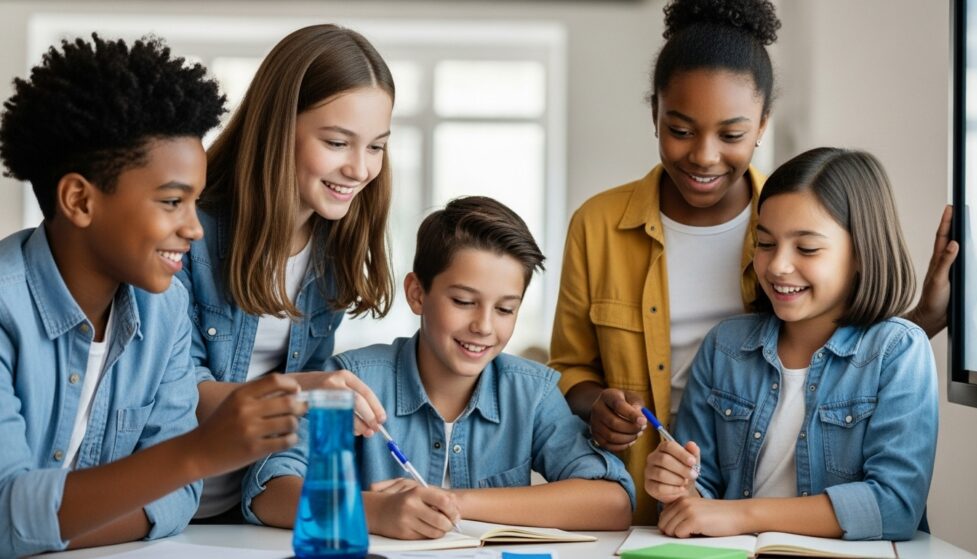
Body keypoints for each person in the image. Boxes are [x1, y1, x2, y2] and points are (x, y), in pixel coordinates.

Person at [549, 0, 957, 523]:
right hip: (655, 495)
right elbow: (568, 366)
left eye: (732, 134)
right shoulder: (599, 225)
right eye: (680, 129)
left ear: (763, 123)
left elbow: (845, 346)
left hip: (731, 514)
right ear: (654, 113)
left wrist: (919, 321)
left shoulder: (792, 210)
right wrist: (596, 405)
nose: (704, 155)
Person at [0, 34, 305, 556]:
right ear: (79, 199)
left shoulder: (164, 311)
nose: (195, 229)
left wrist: (38, 531)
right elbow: (5, 514)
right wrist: (197, 453)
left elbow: (178, 500)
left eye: (196, 203)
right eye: (171, 201)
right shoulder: (7, 309)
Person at [242, 197, 636, 538]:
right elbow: (267, 491)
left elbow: (613, 502)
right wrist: (377, 513)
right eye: (464, 301)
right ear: (417, 294)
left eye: (504, 309)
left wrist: (452, 502)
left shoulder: (532, 393)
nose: (483, 326)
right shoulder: (354, 380)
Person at [645, 147, 938, 541]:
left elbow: (895, 505)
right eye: (765, 244)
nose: (778, 266)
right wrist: (679, 489)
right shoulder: (725, 347)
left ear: (861, 255)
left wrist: (742, 515)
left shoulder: (897, 351)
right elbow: (700, 497)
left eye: (807, 248)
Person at [178, 24, 392, 522]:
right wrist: (308, 391)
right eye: (338, 142)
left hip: (251, 510)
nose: (360, 169)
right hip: (160, 508)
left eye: (377, 146)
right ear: (279, 128)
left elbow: (291, 427)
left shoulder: (335, 247)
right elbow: (174, 393)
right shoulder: (190, 232)